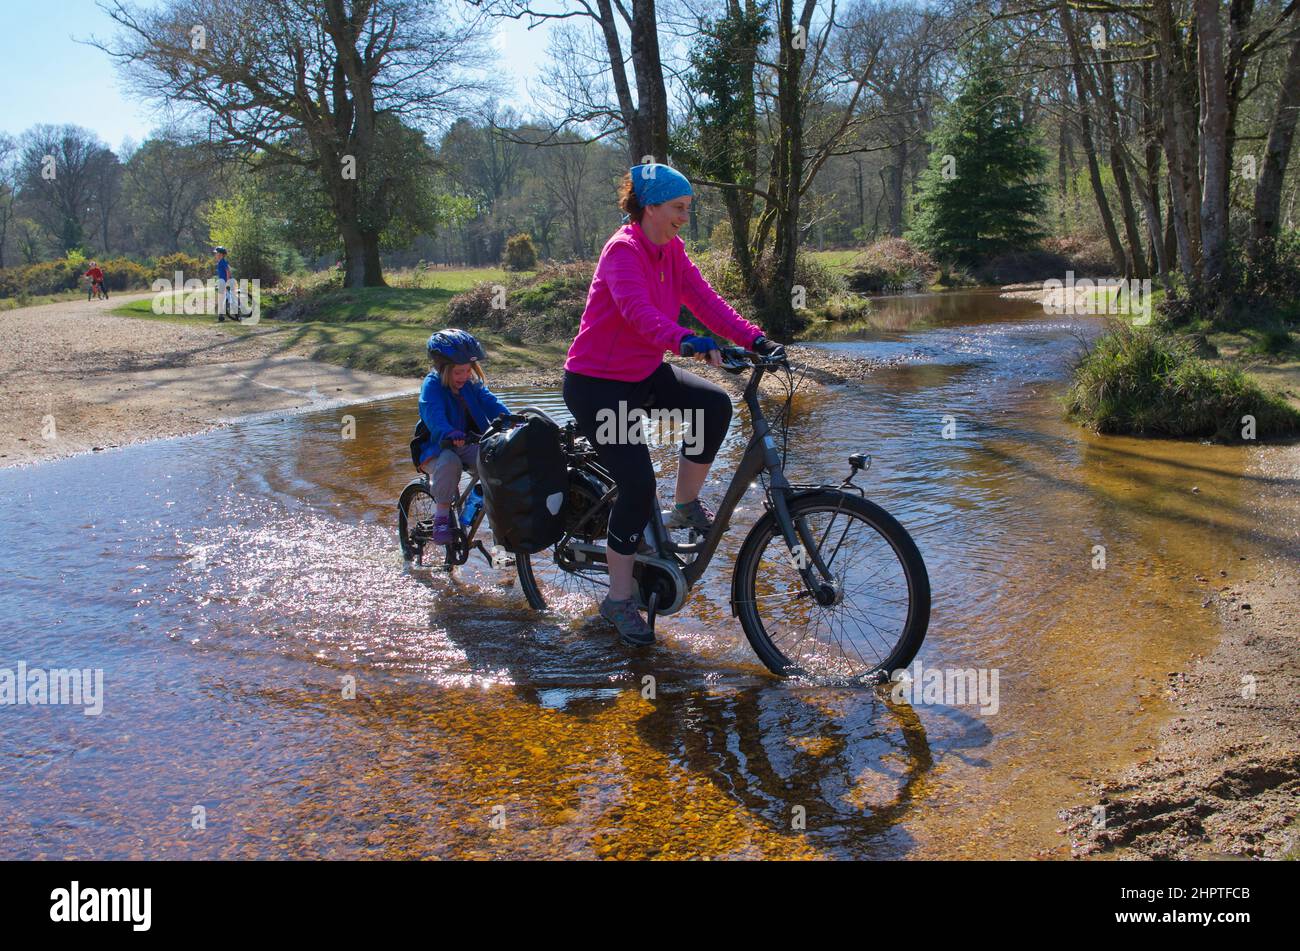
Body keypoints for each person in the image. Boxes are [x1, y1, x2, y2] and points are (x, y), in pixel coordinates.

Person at [563, 163, 785, 647]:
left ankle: (685, 506)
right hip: (598, 384)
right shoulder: (623, 250)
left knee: (714, 405)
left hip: (641, 373)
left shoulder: (673, 250)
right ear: (651, 207)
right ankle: (619, 599)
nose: (685, 217)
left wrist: (755, 337)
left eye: (688, 208)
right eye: (679, 208)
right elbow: (636, 312)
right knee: (638, 484)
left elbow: (705, 300)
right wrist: (684, 341)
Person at [416, 329, 512, 545]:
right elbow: (433, 414)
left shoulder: (471, 384)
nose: (464, 376)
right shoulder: (432, 386)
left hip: (467, 442)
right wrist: (449, 432)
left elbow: (491, 403)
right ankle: (441, 517)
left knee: (494, 463)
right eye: (458, 372)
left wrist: (511, 420)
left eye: (468, 371)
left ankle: (483, 511)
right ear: (443, 369)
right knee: (450, 463)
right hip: (437, 447)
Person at [213, 247, 236, 320]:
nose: (215, 255)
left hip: (226, 281)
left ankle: (222, 314)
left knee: (224, 298)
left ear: (221, 254)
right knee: (223, 298)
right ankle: (221, 315)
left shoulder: (222, 261)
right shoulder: (220, 262)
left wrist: (228, 281)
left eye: (216, 253)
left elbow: (227, 271)